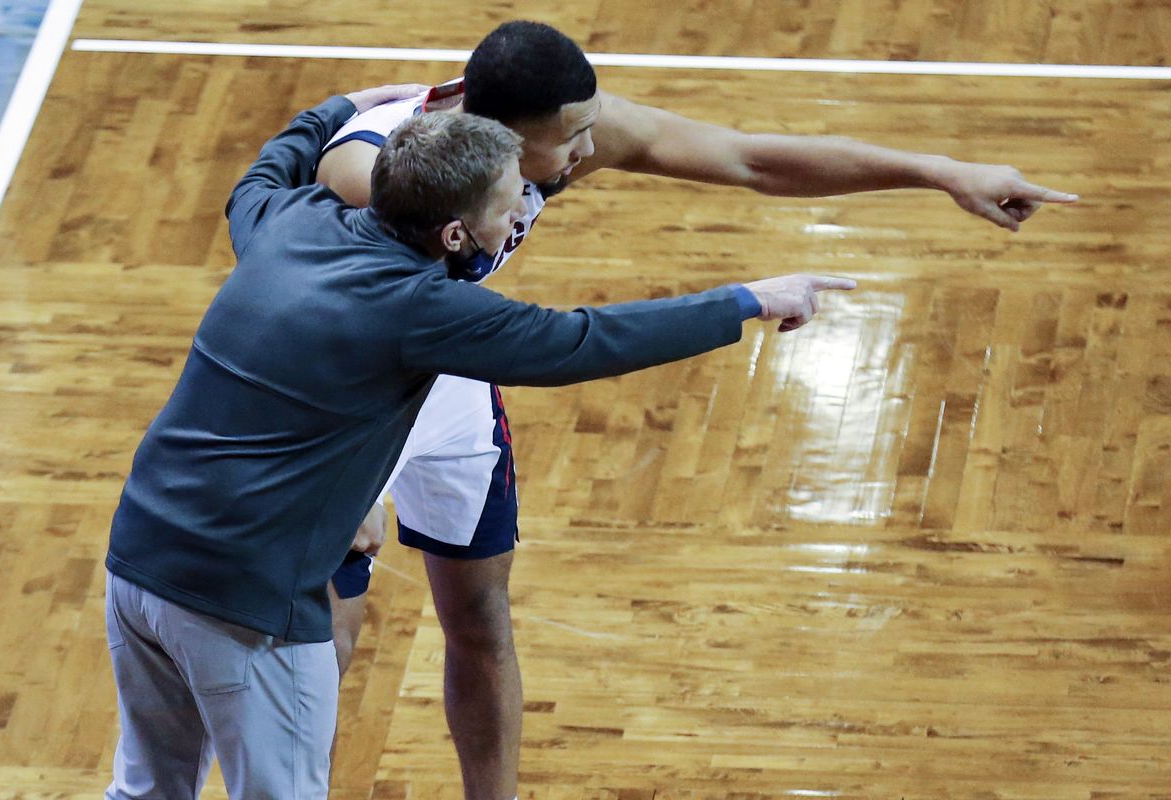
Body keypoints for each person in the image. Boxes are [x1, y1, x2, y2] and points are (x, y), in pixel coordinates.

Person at [315, 20, 1079, 800]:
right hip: (337, 388)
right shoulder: (365, 171)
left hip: (449, 373)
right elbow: (289, 283)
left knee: (479, 616)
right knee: (323, 638)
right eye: (568, 138)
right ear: (496, 135)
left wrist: (941, 171)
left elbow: (749, 158)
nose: (587, 151)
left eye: (588, 127)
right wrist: (337, 479)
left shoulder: (559, 134)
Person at [101, 80, 854, 798]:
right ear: (455, 233)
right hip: (245, 604)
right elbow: (585, 341)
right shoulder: (421, 308)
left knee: (145, 792)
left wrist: (353, 103)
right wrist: (750, 299)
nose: (522, 210)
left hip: (137, 563)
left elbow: (278, 152)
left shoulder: (280, 220)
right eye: (509, 202)